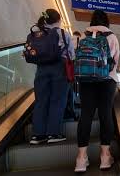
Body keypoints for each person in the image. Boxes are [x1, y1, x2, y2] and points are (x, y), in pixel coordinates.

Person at [74, 10, 120, 172]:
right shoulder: (112, 37)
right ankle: (105, 157)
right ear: (106, 21)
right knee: (105, 114)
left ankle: (81, 159)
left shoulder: (84, 37)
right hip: (107, 81)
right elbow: (115, 62)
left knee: (86, 114)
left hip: (86, 81)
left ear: (92, 21)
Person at [30, 9, 75, 145]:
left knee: (41, 101)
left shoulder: (37, 34)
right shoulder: (62, 33)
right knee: (58, 100)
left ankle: (37, 135)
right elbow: (71, 54)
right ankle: (53, 133)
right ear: (58, 20)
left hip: (41, 69)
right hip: (59, 69)